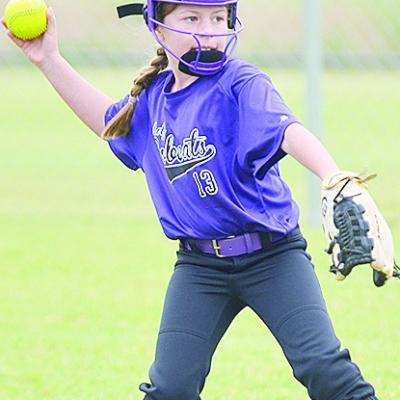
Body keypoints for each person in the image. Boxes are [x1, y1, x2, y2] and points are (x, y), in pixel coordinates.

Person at [2, 1, 379, 399]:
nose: (209, 30)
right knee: (170, 389)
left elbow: (287, 131)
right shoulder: (153, 100)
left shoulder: (241, 82)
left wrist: (333, 175)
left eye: (218, 19)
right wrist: (50, 61)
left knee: (323, 368)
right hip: (200, 268)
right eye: (191, 18)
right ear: (157, 30)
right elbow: (110, 124)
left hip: (273, 258)